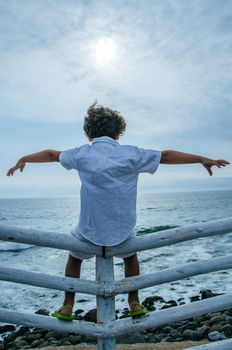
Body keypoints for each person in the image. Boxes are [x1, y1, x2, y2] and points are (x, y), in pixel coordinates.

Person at [7, 102, 229, 321]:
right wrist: (201, 159)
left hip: (89, 232)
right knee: (130, 256)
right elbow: (167, 156)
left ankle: (67, 305)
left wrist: (24, 159)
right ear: (118, 131)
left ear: (88, 131)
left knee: (74, 257)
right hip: (122, 232)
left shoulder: (82, 154)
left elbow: (50, 154)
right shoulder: (131, 154)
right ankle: (134, 301)